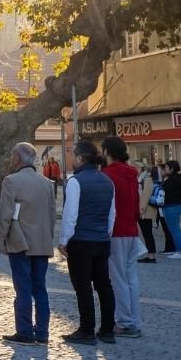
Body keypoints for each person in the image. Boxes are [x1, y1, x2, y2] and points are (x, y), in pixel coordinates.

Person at [0, 143, 56, 346]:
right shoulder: (47, 183)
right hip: (42, 242)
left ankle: (24, 331)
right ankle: (42, 332)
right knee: (40, 288)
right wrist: (48, 238)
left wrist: (2, 240)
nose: (11, 159)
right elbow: (51, 215)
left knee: (23, 289)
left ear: (18, 158)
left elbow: (5, 215)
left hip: (20, 243)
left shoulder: (11, 181)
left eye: (12, 155)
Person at [59, 140, 117, 346]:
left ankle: (86, 329)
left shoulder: (76, 181)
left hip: (81, 241)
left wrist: (64, 240)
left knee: (83, 286)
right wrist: (105, 234)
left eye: (72, 155)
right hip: (101, 240)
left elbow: (70, 215)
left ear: (81, 158)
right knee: (104, 285)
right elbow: (112, 214)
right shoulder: (107, 181)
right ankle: (108, 329)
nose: (70, 159)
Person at [101, 136, 144, 338]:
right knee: (131, 278)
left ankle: (124, 322)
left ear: (106, 151)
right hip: (130, 228)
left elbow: (108, 206)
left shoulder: (108, 175)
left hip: (116, 230)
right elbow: (136, 202)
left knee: (117, 278)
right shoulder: (132, 174)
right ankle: (134, 320)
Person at [158, 161, 181, 259]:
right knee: (175, 229)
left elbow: (163, 190)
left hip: (171, 206)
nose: (164, 169)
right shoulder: (178, 178)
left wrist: (163, 178)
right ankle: (179, 250)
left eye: (166, 168)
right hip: (176, 205)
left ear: (172, 169)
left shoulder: (172, 179)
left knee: (174, 229)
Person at [138, 162, 159, 263]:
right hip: (144, 210)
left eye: (135, 167)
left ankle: (151, 255)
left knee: (148, 233)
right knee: (146, 233)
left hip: (146, 211)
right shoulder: (142, 178)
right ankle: (150, 254)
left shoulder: (146, 179)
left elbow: (146, 195)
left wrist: (141, 209)